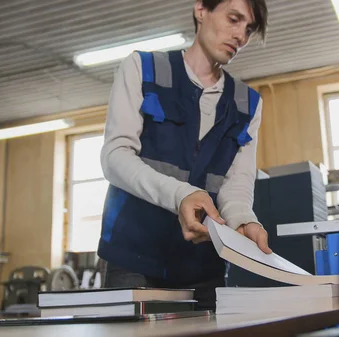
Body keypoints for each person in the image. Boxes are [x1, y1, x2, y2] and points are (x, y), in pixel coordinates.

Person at [97, 0, 270, 311]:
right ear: (201, 9)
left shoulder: (248, 104)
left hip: (202, 267)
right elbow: (115, 156)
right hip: (133, 258)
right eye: (233, 19)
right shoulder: (142, 68)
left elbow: (237, 184)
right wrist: (181, 195)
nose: (240, 37)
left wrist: (243, 219)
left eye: (248, 29)